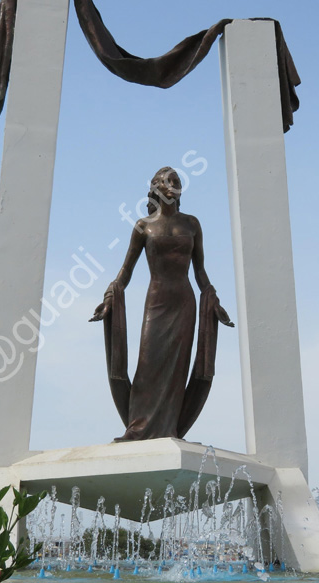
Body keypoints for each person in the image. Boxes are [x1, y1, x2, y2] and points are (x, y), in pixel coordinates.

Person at [90, 167, 233, 441]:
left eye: (177, 181)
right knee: (148, 364)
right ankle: (138, 428)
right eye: (167, 181)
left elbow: (200, 271)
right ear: (156, 187)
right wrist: (110, 296)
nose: (173, 185)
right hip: (156, 301)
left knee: (176, 369)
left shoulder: (192, 224)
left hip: (184, 302)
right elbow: (126, 270)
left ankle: (170, 429)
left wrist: (213, 299)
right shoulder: (144, 226)